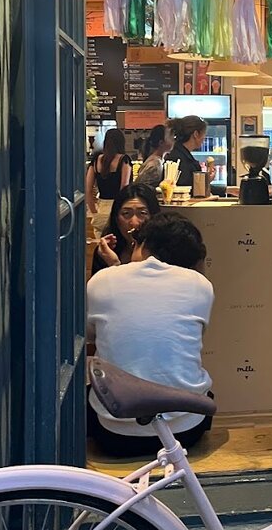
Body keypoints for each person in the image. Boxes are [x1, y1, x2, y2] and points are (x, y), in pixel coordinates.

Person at [87, 212, 214, 457]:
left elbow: (90, 335)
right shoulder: (200, 286)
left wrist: (115, 268)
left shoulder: (101, 280)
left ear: (143, 244)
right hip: (185, 432)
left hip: (114, 435)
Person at [91, 184, 161, 276]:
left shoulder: (164, 251)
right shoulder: (106, 251)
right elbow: (98, 284)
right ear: (116, 218)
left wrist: (115, 265)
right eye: (126, 213)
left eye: (142, 213)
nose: (134, 223)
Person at [85, 128, 132, 235]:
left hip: (101, 208)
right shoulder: (124, 160)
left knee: (101, 242)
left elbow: (88, 189)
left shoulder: (96, 160)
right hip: (117, 208)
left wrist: (94, 211)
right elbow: (124, 188)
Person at [165, 115, 207, 187]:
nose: (204, 138)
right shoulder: (178, 159)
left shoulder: (180, 153)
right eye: (204, 134)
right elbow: (187, 187)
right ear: (196, 134)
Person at [136, 124, 173, 189]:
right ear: (161, 143)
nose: (173, 140)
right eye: (170, 137)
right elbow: (143, 189)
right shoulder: (154, 164)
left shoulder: (157, 160)